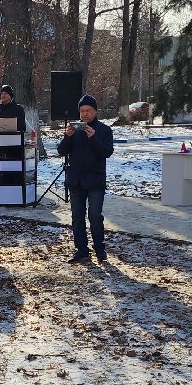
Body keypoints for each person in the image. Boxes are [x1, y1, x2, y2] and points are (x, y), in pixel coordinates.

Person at [57, 94, 114, 264]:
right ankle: (81, 250)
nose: (85, 114)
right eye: (82, 111)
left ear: (95, 111)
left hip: (95, 181)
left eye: (88, 110)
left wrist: (93, 138)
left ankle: (100, 248)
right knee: (77, 217)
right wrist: (67, 136)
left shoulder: (104, 130)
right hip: (76, 181)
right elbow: (61, 151)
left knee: (95, 216)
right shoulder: (74, 130)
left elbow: (106, 152)